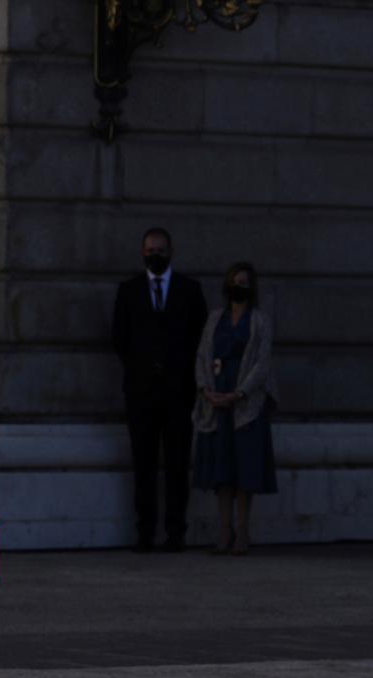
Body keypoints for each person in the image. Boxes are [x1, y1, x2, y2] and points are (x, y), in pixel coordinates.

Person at [112, 228, 207, 552]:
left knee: (178, 464)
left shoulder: (189, 290)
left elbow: (199, 337)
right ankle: (145, 531)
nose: (155, 255)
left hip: (179, 392)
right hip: (141, 393)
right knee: (144, 465)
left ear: (171, 251)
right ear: (142, 252)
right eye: (150, 250)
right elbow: (120, 338)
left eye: (161, 250)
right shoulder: (129, 291)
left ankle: (176, 531)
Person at [190, 262, 276, 555]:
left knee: (244, 468)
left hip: (245, 403)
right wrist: (206, 389)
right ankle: (224, 529)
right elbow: (202, 355)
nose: (239, 286)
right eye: (234, 281)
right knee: (222, 469)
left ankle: (243, 529)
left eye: (244, 282)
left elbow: (262, 363)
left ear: (251, 287)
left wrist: (240, 393)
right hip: (216, 399)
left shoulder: (260, 321)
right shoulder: (215, 319)